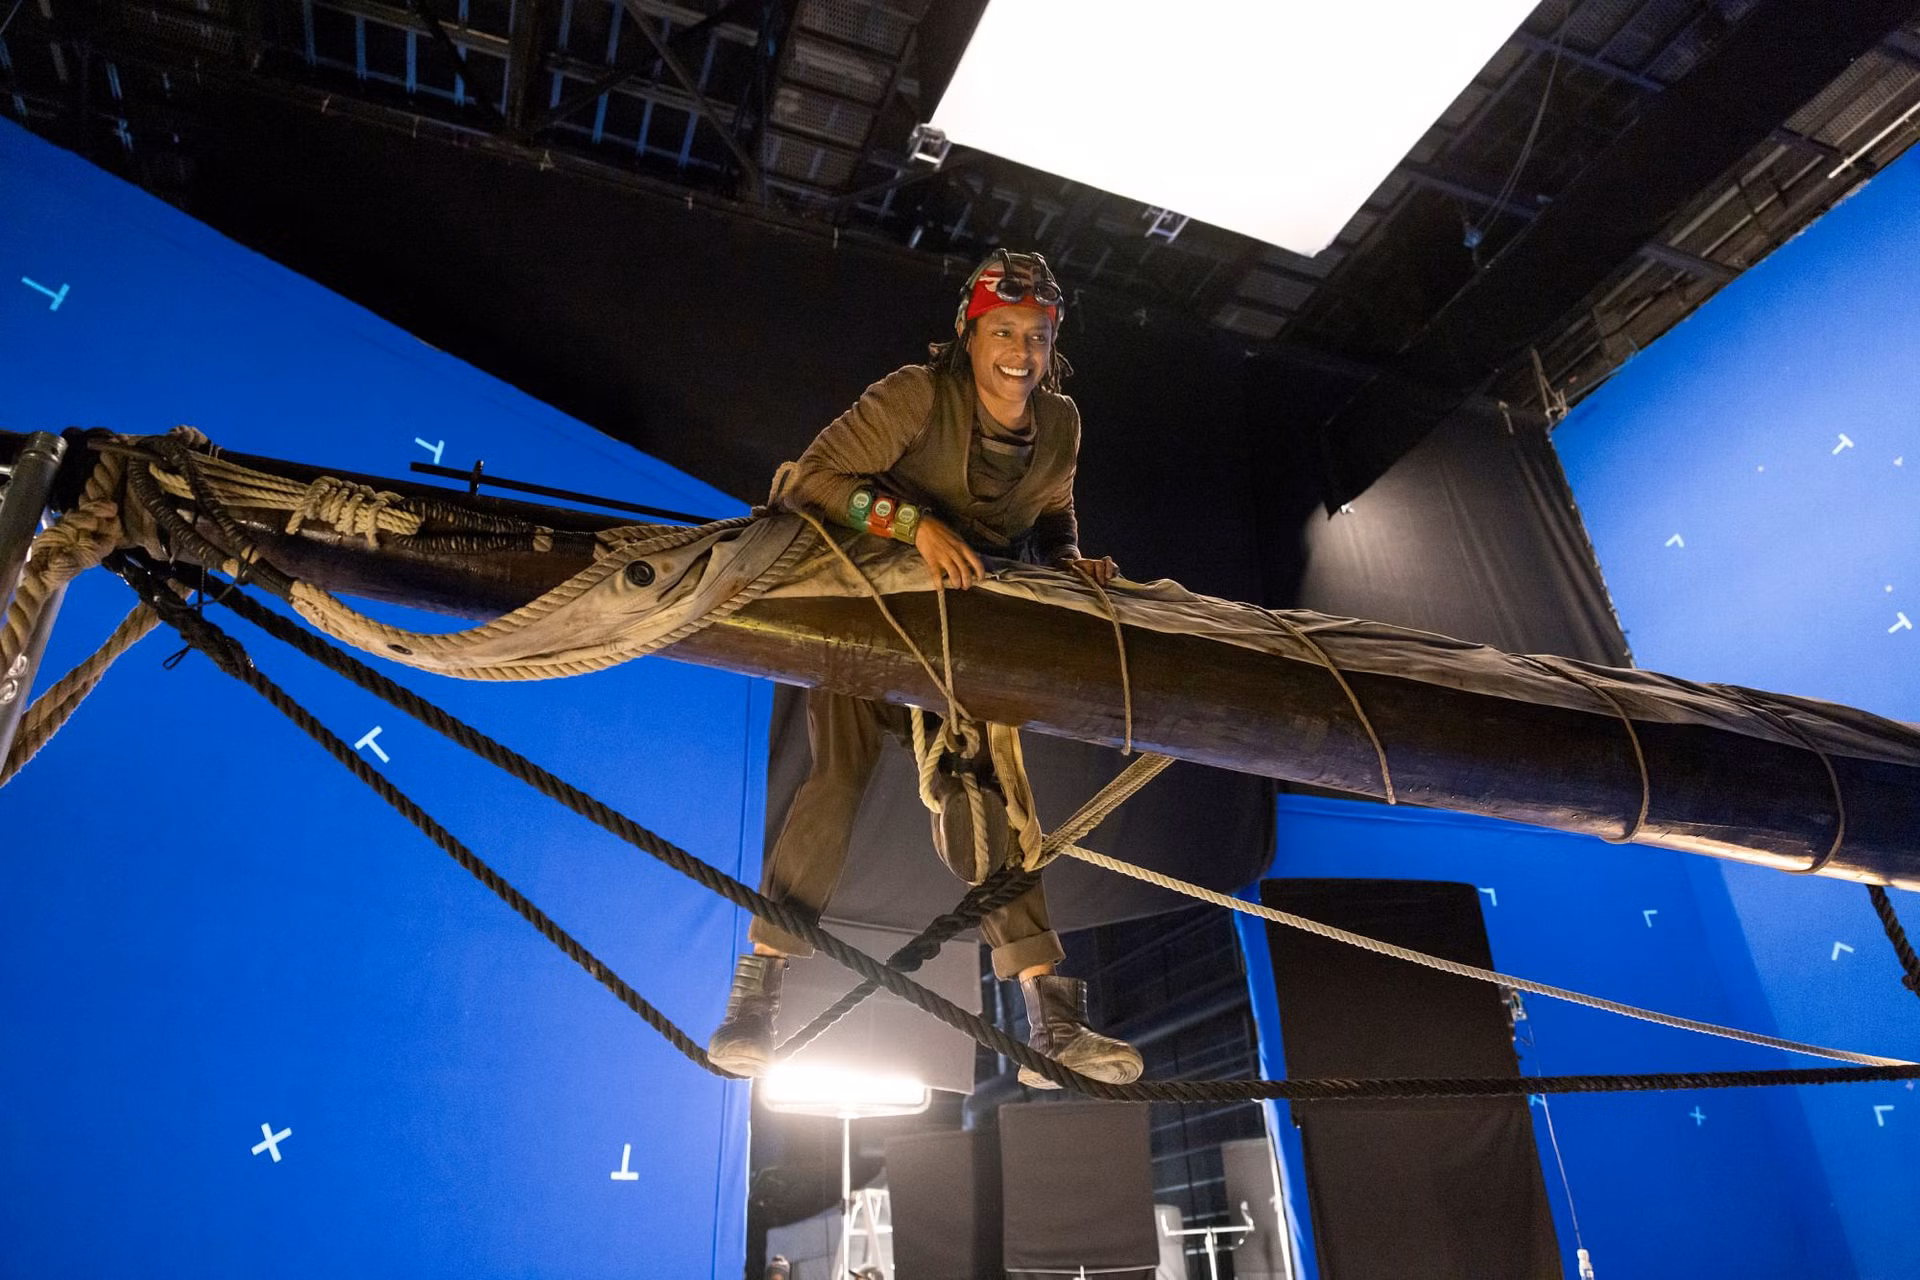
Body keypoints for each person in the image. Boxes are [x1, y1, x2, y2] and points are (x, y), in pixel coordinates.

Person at [706, 249, 1143, 1090]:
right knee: (834, 781)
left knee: (993, 802)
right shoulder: (916, 396)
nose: (1020, 351)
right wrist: (913, 526)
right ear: (970, 335)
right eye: (1003, 331)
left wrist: (1071, 560)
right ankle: (756, 997)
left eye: (1036, 335)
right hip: (867, 616)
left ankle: (1051, 1024)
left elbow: (1053, 514)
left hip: (958, 640)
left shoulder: (1061, 424)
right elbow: (811, 480)